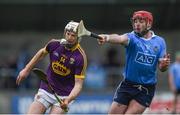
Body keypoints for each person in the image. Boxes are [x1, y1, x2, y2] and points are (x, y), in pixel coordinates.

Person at [98, 10, 170, 114]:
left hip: (146, 89)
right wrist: (107, 37)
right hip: (127, 85)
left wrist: (164, 65)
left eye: (141, 21)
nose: (137, 24)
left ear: (149, 23)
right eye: (135, 21)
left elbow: (162, 68)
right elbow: (119, 38)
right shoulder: (132, 38)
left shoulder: (160, 42)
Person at [16, 21, 87, 114]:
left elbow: (78, 85)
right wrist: (26, 70)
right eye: (68, 33)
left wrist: (68, 100)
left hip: (65, 95)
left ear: (78, 38)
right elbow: (41, 53)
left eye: (73, 35)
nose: (69, 37)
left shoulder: (80, 57)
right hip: (47, 88)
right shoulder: (55, 44)